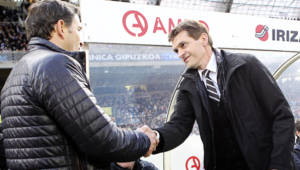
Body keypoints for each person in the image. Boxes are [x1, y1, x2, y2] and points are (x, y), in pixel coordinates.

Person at [0, 0, 158, 169]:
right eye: (78, 29)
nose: (81, 40)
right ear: (61, 27)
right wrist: (144, 140)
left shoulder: (17, 72)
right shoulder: (54, 64)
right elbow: (101, 137)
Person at [146, 19, 295, 170]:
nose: (180, 54)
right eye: (176, 50)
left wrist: (278, 165)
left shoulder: (246, 65)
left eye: (183, 45)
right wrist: (155, 137)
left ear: (203, 39)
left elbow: (282, 116)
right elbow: (178, 127)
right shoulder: (187, 86)